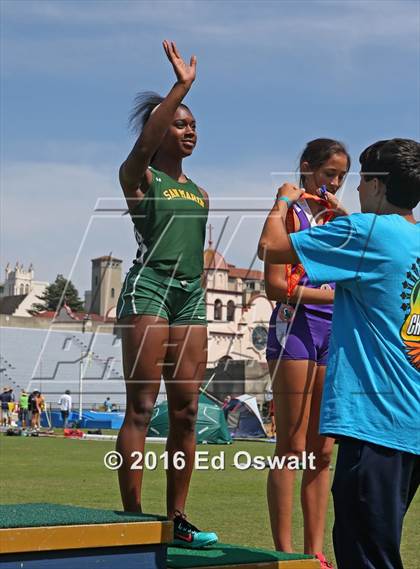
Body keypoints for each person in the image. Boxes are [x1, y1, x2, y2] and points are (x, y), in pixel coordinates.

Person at [258, 138, 420, 569]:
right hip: (410, 424)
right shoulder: (413, 238)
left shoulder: (365, 233)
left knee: (367, 556)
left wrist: (281, 202)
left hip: (374, 426)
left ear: (379, 185)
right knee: (380, 542)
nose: (353, 188)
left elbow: (271, 247)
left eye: (360, 179)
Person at [115, 40, 217, 548]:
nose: (190, 129)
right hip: (149, 288)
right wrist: (180, 88)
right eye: (179, 122)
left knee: (186, 411)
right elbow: (139, 148)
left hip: (191, 295)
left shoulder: (200, 193)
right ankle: (131, 516)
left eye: (193, 123)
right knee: (142, 405)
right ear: (158, 134)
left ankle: (176, 516)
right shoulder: (139, 178)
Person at [264, 139, 350, 564]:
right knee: (291, 446)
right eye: (328, 173)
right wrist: (337, 297)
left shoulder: (338, 219)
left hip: (333, 333)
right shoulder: (289, 210)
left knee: (323, 451)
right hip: (294, 328)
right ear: (306, 167)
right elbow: (276, 286)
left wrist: (349, 217)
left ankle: (315, 553)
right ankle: (284, 552)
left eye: (341, 177)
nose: (333, 182)